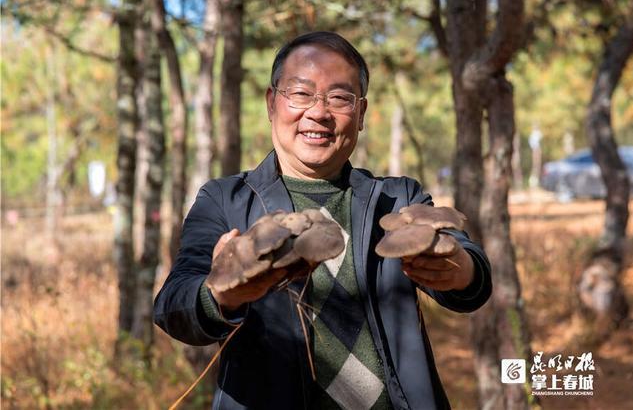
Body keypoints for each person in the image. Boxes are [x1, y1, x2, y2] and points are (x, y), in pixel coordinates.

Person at [154, 31, 491, 410]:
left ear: (361, 113)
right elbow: (172, 306)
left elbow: (471, 276)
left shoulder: (397, 199)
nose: (318, 112)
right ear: (271, 103)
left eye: (339, 97)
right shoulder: (225, 200)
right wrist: (221, 294)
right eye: (300, 93)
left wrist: (458, 269)